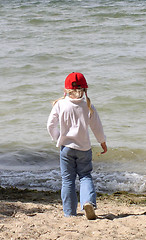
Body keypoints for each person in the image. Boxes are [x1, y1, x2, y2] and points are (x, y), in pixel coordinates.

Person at [47, 72, 107, 220]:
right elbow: (97, 127)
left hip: (66, 148)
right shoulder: (88, 105)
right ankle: (88, 202)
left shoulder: (60, 104)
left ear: (66, 90)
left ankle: (69, 213)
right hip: (84, 149)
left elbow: (50, 125)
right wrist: (103, 143)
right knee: (85, 176)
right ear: (85, 90)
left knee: (67, 180)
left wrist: (58, 137)